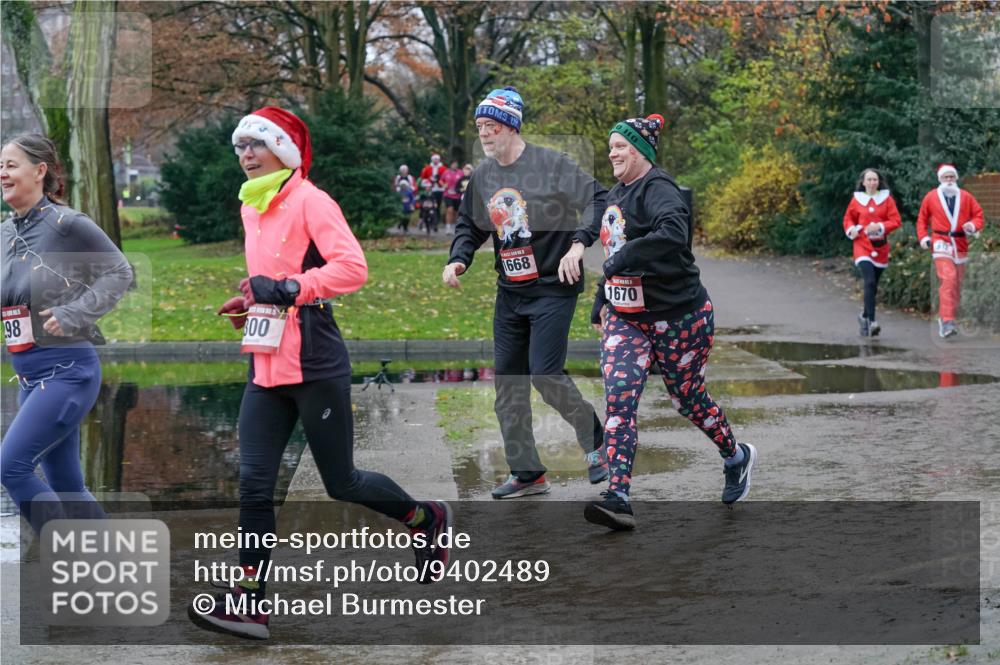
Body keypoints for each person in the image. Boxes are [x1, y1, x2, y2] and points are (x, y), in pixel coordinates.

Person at [191, 107, 452, 640]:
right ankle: (249, 601)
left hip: (315, 361)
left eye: (256, 145)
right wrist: (252, 300)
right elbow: (271, 278)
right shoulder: (251, 204)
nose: (246, 155)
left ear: (281, 151)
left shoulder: (312, 200)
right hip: (265, 360)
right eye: (240, 146)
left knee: (341, 483)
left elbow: (352, 268)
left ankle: (426, 520)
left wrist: (287, 289)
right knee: (254, 483)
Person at [582, 114, 756, 530]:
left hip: (680, 316)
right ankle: (618, 497)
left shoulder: (659, 189)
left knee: (687, 399)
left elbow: (673, 234)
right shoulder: (617, 194)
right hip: (627, 319)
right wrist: (602, 296)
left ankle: (736, 456)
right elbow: (614, 253)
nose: (612, 153)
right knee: (619, 399)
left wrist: (622, 261)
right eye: (610, 146)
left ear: (641, 150)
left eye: (620, 146)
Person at [442, 86, 608, 499]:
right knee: (508, 389)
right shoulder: (484, 176)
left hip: (553, 287)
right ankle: (528, 472)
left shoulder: (552, 164)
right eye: (480, 126)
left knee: (545, 375)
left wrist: (578, 244)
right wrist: (459, 258)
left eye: (492, 126)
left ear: (512, 127)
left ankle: (596, 441)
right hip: (511, 292)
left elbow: (598, 199)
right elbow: (470, 224)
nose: (484, 133)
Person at [0, 134, 133, 532]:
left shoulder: (67, 224)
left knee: (11, 467)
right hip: (31, 377)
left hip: (68, 372)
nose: (2, 173)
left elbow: (119, 271)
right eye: (0, 166)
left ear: (40, 171)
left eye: (11, 165)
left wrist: (74, 312)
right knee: (68, 487)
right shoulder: (6, 233)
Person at [916, 164, 985, 338]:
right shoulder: (931, 197)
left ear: (956, 179)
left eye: (951, 177)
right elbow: (922, 219)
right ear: (940, 179)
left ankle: (946, 317)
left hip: (960, 243)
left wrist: (972, 225)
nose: (949, 180)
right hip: (940, 242)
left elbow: (978, 215)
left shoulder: (966, 196)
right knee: (949, 278)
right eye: (945, 177)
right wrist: (924, 237)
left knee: (957, 284)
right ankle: (947, 321)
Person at [842, 168, 902, 337]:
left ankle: (864, 316)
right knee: (869, 281)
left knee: (873, 286)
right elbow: (848, 219)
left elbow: (896, 220)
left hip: (880, 247)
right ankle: (872, 322)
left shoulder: (887, 199)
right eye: (869, 179)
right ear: (863, 182)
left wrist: (881, 226)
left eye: (875, 179)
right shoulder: (856, 200)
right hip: (862, 245)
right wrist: (852, 229)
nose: (872, 182)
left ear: (879, 182)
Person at [420, 153, 447, 217]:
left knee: (439, 204)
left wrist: (440, 181)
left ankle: (437, 217)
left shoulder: (443, 168)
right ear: (432, 160)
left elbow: (446, 178)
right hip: (431, 189)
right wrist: (429, 181)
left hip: (440, 189)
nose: (435, 161)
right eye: (434, 159)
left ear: (439, 160)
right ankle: (432, 217)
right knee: (432, 204)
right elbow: (423, 178)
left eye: (437, 159)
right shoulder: (427, 168)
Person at [441, 160, 463, 234]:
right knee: (450, 210)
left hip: (457, 195)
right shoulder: (446, 172)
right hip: (448, 195)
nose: (455, 165)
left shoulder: (460, 173)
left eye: (456, 164)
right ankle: (448, 227)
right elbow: (441, 180)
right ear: (450, 165)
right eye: (453, 164)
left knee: (456, 212)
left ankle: (454, 226)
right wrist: (443, 184)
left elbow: (464, 180)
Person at [393, 164, 416, 233]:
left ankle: (405, 226)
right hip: (401, 201)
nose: (404, 171)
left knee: (407, 216)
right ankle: (401, 225)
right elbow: (395, 185)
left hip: (408, 200)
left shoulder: (410, 178)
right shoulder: (398, 177)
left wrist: (412, 204)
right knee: (401, 215)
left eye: (405, 170)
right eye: (402, 170)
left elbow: (413, 186)